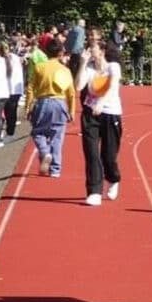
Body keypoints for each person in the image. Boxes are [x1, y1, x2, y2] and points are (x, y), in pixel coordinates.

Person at [77, 42, 124, 206]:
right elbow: (79, 86)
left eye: (92, 48)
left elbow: (113, 86)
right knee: (91, 152)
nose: (89, 51)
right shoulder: (89, 68)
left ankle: (113, 178)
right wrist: (82, 63)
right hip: (90, 114)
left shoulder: (113, 67)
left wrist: (102, 103)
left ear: (102, 51)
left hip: (111, 113)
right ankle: (94, 191)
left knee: (108, 156)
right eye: (88, 48)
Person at [24, 39, 77, 176]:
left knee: (38, 132)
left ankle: (44, 151)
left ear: (46, 52)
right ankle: (55, 169)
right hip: (60, 102)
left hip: (43, 102)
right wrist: (71, 110)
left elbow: (30, 89)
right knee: (57, 137)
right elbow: (71, 93)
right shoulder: (65, 70)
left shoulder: (39, 67)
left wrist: (28, 107)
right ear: (60, 53)